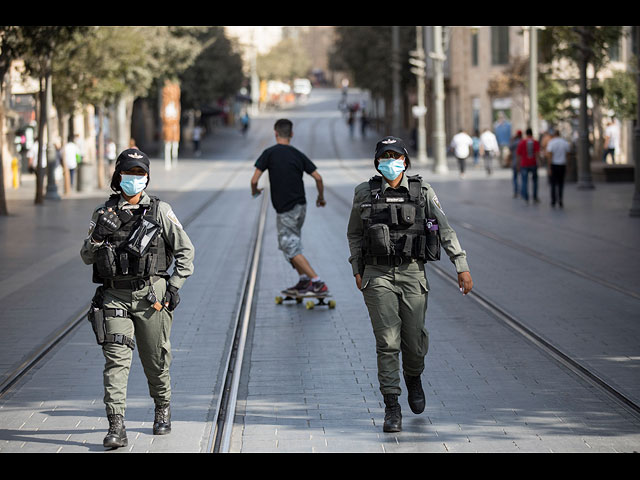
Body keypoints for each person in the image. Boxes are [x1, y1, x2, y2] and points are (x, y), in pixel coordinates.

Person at [347, 136, 473, 433]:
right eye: (384, 156)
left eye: (395, 156)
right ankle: (392, 407)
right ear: (377, 162)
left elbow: (445, 229)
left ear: (405, 160)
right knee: (387, 342)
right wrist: (357, 267)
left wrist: (461, 265)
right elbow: (354, 233)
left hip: (413, 273)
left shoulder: (423, 192)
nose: (389, 161)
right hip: (377, 275)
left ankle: (413, 376)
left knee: (413, 342)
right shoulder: (364, 192)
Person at [80, 148, 195, 449]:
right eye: (128, 173)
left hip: (151, 296)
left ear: (147, 177)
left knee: (155, 359)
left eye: (140, 173)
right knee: (116, 361)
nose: (134, 178)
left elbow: (186, 252)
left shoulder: (160, 210)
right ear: (118, 176)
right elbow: (85, 256)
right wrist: (97, 238)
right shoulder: (103, 213)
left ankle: (162, 406)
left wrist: (174, 286)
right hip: (114, 296)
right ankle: (116, 425)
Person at [250, 119, 329, 296]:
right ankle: (304, 281)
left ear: (275, 133)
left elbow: (254, 179)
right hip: (301, 207)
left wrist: (255, 191)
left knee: (290, 247)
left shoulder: (269, 153)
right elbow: (318, 177)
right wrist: (321, 198)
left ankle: (317, 283)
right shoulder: (297, 154)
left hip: (286, 210)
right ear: (291, 134)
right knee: (292, 243)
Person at [545, 128, 571, 208]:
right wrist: (568, 165)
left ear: (554, 135)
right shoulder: (565, 143)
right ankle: (560, 199)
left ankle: (553, 200)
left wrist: (549, 167)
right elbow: (568, 155)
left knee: (553, 184)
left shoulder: (551, 143)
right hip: (562, 165)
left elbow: (549, 155)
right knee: (561, 183)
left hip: (554, 165)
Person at [516, 128, 540, 204]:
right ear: (532, 133)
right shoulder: (535, 142)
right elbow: (537, 153)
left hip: (524, 164)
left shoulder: (522, 142)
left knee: (524, 181)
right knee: (535, 181)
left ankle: (526, 197)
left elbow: (518, 155)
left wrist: (518, 165)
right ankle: (535, 197)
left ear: (526, 134)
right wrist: (538, 162)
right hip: (533, 163)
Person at [509, 130, 523, 198]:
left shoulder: (514, 142)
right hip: (522, 163)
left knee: (515, 178)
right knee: (522, 178)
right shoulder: (523, 142)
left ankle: (516, 192)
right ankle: (522, 191)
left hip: (515, 162)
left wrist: (512, 140)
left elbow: (510, 148)